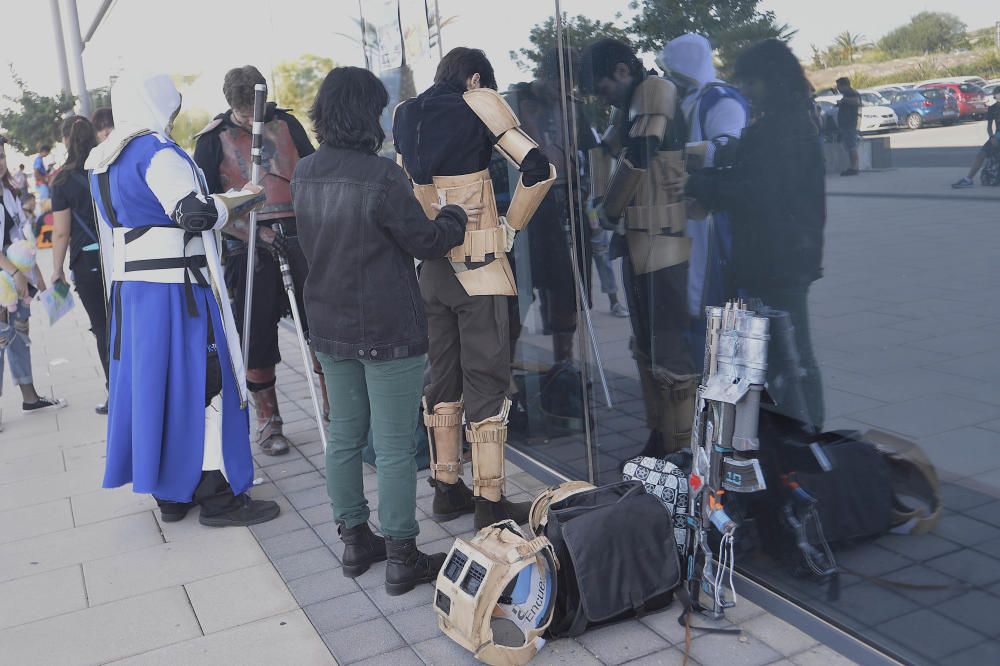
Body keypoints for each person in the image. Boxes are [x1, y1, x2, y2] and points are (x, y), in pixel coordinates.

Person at [294, 67, 473, 594]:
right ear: (366, 114)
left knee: (345, 437)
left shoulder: (304, 172)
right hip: (388, 327)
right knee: (394, 446)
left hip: (328, 323)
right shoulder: (381, 176)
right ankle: (401, 555)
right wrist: (456, 218)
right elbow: (425, 241)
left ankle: (355, 542)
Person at [84, 70, 280, 527]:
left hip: (137, 296)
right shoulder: (154, 152)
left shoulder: (102, 158)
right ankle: (217, 496)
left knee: (159, 388)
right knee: (206, 383)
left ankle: (171, 493)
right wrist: (240, 200)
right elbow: (193, 213)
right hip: (179, 293)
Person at [393, 47, 556, 529]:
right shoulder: (479, 103)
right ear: (476, 79)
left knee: (441, 376)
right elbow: (539, 168)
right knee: (487, 379)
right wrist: (510, 227)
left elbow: (405, 184)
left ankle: (447, 488)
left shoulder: (405, 113)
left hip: (431, 268)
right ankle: (490, 500)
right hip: (480, 266)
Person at [686, 39, 826, 430]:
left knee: (794, 353)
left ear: (772, 79)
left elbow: (761, 192)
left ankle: (808, 433)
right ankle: (795, 433)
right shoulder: (783, 121)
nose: (744, 90)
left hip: (780, 258)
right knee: (784, 352)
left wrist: (700, 187)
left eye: (751, 81)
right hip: (777, 255)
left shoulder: (787, 127)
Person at [194, 65, 320, 457]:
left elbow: (314, 174)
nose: (253, 119)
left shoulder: (287, 125)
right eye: (245, 114)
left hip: (299, 236)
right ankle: (269, 420)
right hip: (245, 244)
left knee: (322, 323)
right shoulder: (212, 140)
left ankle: (338, 410)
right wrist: (254, 235)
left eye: (256, 111)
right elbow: (207, 205)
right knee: (255, 333)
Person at [581, 38, 697, 459]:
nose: (602, 96)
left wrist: (606, 210)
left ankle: (681, 449)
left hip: (662, 240)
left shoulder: (654, 91)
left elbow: (639, 155)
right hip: (637, 239)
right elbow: (606, 148)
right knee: (647, 348)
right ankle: (662, 436)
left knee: (668, 351)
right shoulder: (628, 102)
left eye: (603, 86)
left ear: (622, 71)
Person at [659, 33, 750, 370]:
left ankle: (718, 378)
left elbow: (728, 148)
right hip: (690, 216)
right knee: (693, 300)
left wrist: (672, 158)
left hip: (713, 219)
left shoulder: (720, 99)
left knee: (710, 300)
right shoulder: (691, 100)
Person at [1, 139, 65, 431]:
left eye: (1, 156)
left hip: (18, 276)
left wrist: (35, 272)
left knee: (20, 337)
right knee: (2, 340)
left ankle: (30, 397)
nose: (0, 161)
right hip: (6, 279)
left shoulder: (9, 191)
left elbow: (19, 234)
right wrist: (14, 272)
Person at [50, 116, 110, 414]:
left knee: (102, 328)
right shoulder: (109, 168)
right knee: (126, 322)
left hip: (86, 261)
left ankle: (116, 392)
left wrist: (56, 269)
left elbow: (60, 232)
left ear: (65, 141)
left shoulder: (61, 181)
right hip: (121, 257)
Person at [952, 90, 1000, 188]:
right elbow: (989, 127)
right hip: (997, 136)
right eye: (997, 94)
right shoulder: (993, 108)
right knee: (981, 154)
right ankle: (968, 179)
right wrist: (992, 137)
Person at [835, 76, 861, 176]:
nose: (838, 89)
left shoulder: (851, 93)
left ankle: (854, 167)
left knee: (851, 146)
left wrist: (844, 101)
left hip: (849, 124)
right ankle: (853, 167)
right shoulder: (847, 94)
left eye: (839, 87)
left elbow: (856, 101)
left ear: (844, 85)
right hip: (846, 125)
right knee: (850, 146)